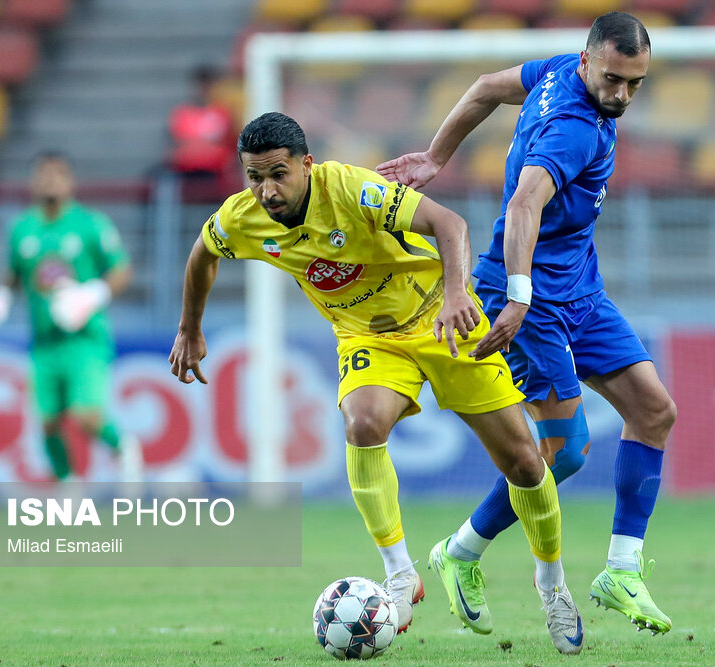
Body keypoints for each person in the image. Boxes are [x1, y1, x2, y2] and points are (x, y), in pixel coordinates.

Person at [168, 112, 584, 654]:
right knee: (362, 424)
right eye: (254, 177)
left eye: (277, 174)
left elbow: (450, 224)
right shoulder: (242, 217)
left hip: (441, 319)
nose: (266, 190)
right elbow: (202, 254)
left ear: (307, 165)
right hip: (367, 337)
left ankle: (551, 583)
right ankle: (400, 573)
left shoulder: (353, 190)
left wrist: (457, 292)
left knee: (525, 463)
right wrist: (189, 328)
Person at [377, 11, 675, 635]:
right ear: (589, 61)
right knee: (564, 454)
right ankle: (459, 552)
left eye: (636, 83)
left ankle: (621, 570)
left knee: (654, 411)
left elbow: (486, 86)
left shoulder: (557, 71)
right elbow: (522, 204)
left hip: (580, 289)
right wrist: (518, 296)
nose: (623, 95)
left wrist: (435, 156)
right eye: (615, 80)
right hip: (529, 297)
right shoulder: (575, 130)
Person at [0, 151, 143, 484]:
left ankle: (122, 447)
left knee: (84, 415)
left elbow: (121, 270)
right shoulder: (22, 228)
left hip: (84, 339)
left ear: (70, 181)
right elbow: (14, 273)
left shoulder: (90, 224)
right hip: (44, 342)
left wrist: (92, 294)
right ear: (33, 181)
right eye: (44, 174)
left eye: (57, 173)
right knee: (48, 422)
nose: (50, 180)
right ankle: (68, 485)